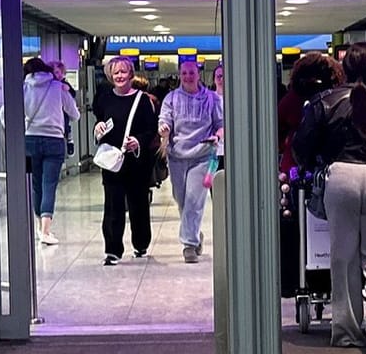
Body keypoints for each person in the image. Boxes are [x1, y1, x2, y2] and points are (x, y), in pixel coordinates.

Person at [293, 41, 366, 351]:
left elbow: (302, 147)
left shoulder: (324, 101)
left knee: (343, 257)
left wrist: (317, 163)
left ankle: (346, 331)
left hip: (341, 177)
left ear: (343, 69)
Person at [92, 56, 160, 266]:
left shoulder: (143, 100)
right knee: (113, 205)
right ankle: (112, 249)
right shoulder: (104, 99)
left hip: (136, 163)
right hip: (112, 161)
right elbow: (100, 123)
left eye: (123, 72)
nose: (120, 76)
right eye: (116, 72)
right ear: (111, 76)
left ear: (131, 74)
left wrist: (138, 141)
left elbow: (151, 130)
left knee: (138, 203)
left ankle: (140, 243)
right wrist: (97, 130)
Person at [157, 56, 224, 263]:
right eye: (184, 73)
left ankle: (189, 245)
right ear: (180, 75)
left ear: (198, 74)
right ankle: (195, 234)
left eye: (191, 72)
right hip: (177, 157)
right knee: (182, 200)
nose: (187, 76)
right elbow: (164, 119)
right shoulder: (171, 98)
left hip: (203, 156)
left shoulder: (213, 99)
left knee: (194, 200)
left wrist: (218, 136)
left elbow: (221, 124)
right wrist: (164, 128)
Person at [23, 57, 79, 247]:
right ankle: (46, 230)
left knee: (36, 184)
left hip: (29, 140)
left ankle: (41, 227)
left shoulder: (24, 87)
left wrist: (22, 128)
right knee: (49, 185)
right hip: (54, 141)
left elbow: (3, 114)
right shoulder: (58, 87)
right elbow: (75, 114)